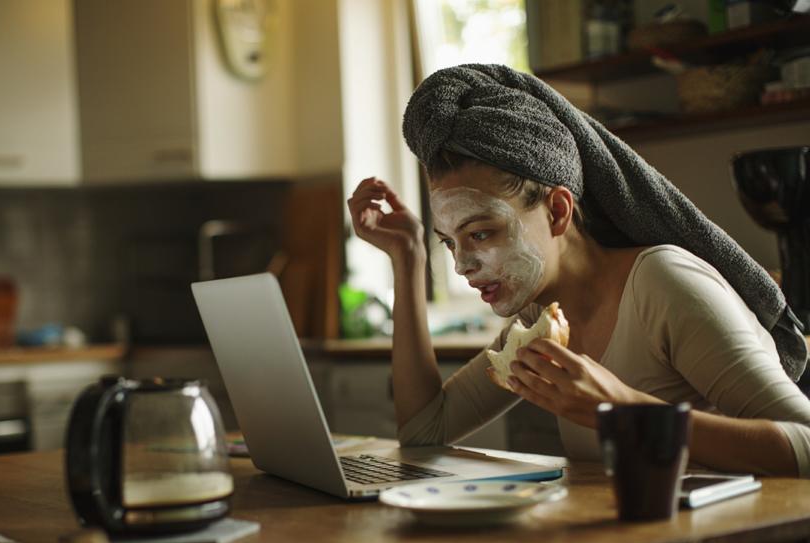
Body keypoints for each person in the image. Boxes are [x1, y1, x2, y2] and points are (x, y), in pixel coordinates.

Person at [347, 64, 810, 477]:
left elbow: (805, 441)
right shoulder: (538, 321)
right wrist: (407, 260)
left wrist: (622, 410)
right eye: (449, 242)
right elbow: (425, 433)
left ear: (557, 211)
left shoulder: (663, 285)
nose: (464, 265)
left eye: (482, 233)